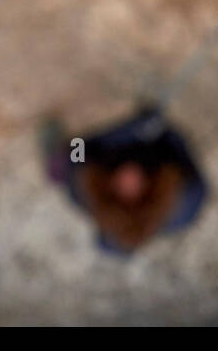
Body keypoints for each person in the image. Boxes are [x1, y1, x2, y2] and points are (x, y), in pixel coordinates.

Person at [41, 106, 207, 256]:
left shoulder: (83, 192)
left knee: (64, 162)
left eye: (120, 192)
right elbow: (176, 141)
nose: (128, 181)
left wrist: (129, 131)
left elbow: (81, 146)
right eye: (136, 193)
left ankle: (55, 162)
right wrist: (157, 128)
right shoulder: (186, 195)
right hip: (156, 151)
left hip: (110, 153)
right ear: (152, 194)